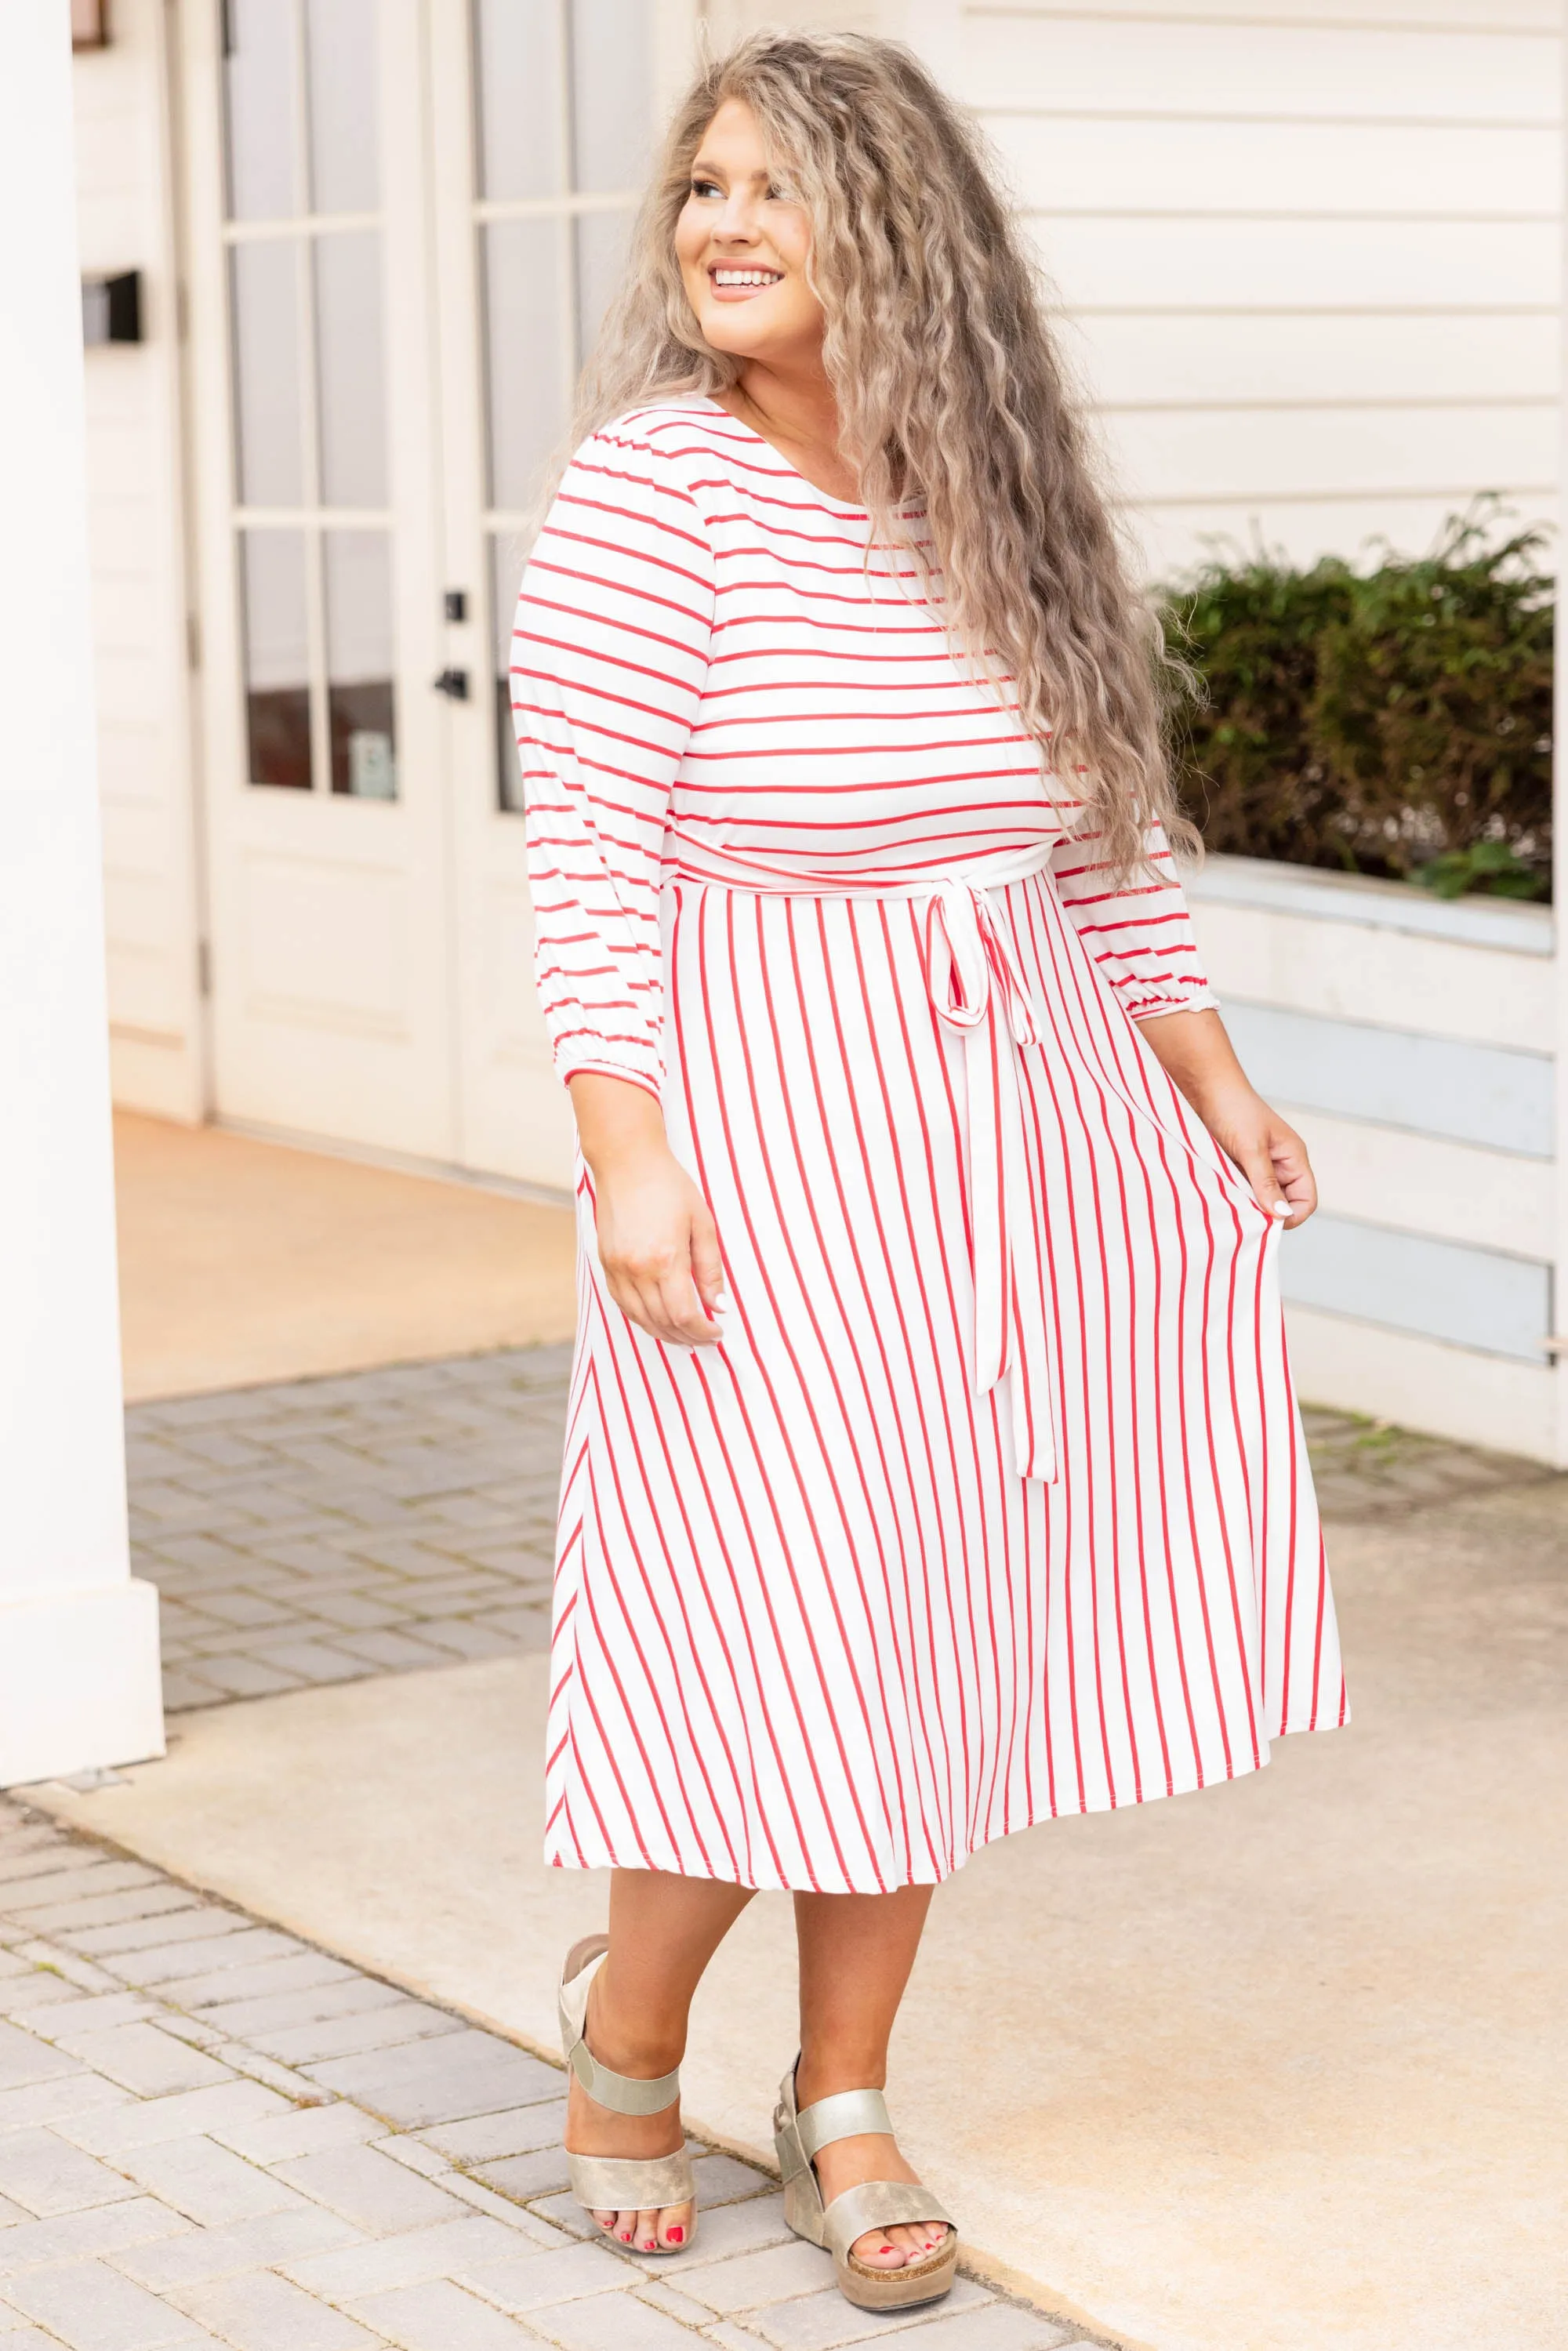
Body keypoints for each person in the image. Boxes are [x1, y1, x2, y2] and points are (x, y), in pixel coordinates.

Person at [511, 29, 1345, 2317]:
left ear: (904, 230)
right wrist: (629, 1162)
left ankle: (848, 2087)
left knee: (928, 1630)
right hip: (763, 1124)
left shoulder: (995, 497)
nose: (722, 224)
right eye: (704, 185)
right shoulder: (650, 498)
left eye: (775, 184)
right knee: (755, 1618)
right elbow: (586, 853)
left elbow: (1103, 833)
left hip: (1018, 1129)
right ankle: (633, 2027)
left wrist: (1209, 1077)